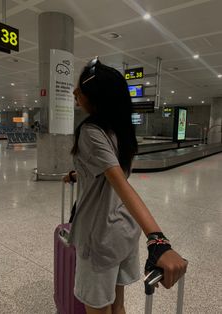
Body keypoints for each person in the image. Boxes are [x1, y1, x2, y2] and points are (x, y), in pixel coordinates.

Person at [64, 57, 188, 314]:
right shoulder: (121, 130)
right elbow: (111, 173)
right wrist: (80, 174)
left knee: (98, 307)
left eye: (80, 89)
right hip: (123, 231)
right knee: (118, 303)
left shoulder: (90, 131)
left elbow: (119, 182)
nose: (75, 92)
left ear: (96, 98)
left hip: (99, 235)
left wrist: (158, 240)